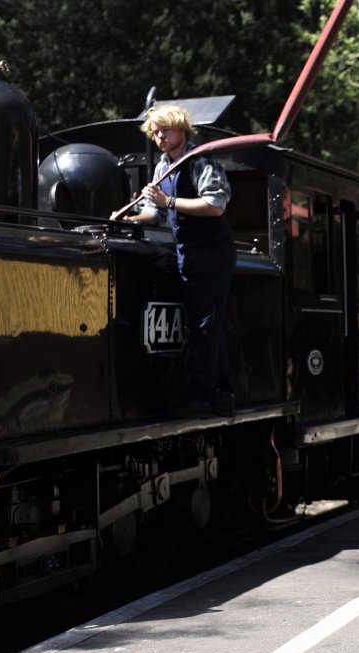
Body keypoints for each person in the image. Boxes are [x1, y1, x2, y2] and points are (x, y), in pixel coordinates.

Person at [124, 104, 236, 418]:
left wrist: (170, 200)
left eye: (166, 130)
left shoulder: (199, 161)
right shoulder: (162, 167)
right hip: (186, 251)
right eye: (155, 132)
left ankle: (201, 399)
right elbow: (155, 213)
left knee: (204, 325)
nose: (160, 137)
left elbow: (215, 205)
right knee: (205, 324)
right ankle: (224, 392)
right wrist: (129, 219)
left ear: (181, 130)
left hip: (212, 251)